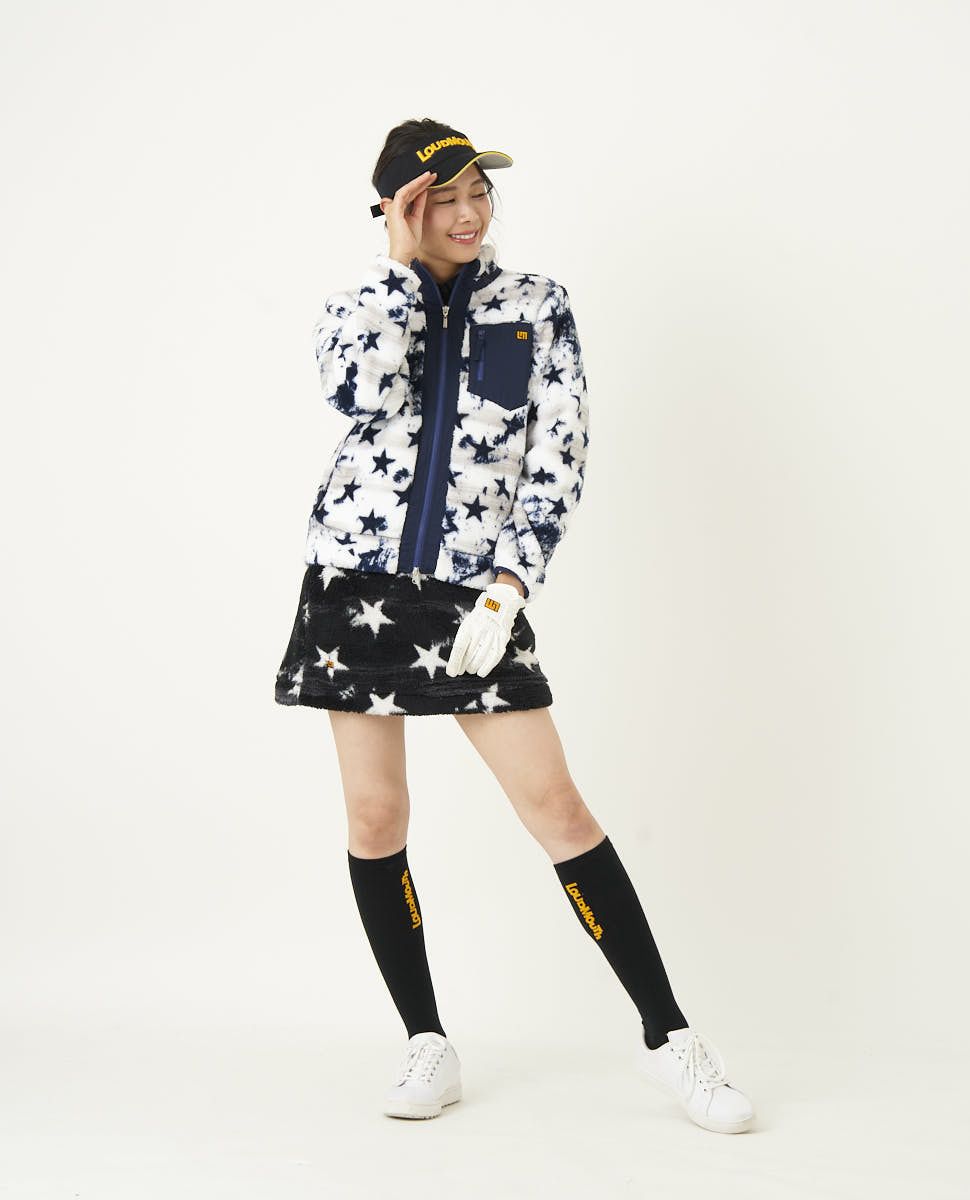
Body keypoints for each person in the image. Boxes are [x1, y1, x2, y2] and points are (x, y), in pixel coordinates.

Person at [274, 118, 755, 1134]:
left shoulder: (537, 305)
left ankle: (671, 1037)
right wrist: (399, 274)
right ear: (397, 209)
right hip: (355, 586)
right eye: (440, 199)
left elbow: (558, 453)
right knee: (375, 819)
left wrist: (510, 585)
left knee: (558, 809)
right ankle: (425, 1040)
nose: (468, 214)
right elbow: (356, 393)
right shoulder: (362, 302)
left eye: (477, 193)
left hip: (474, 592)